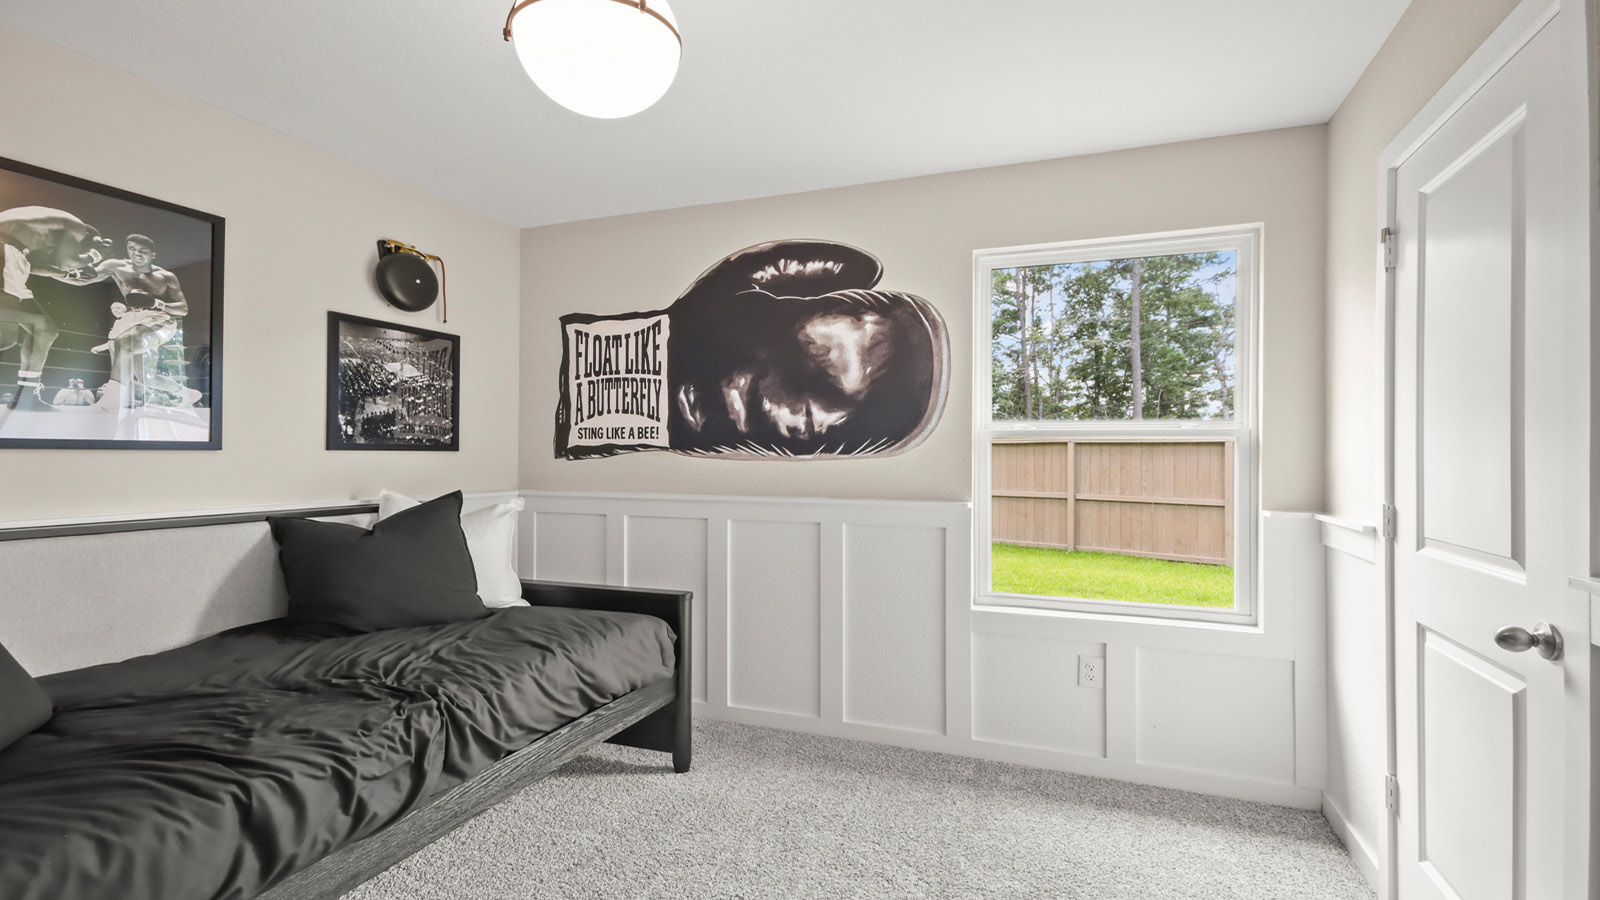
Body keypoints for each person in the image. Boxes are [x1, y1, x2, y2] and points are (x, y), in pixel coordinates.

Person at [0, 207, 113, 409]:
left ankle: (25, 396)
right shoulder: (75, 227)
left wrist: (68, 275)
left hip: (11, 262)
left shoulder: (34, 230)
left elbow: (33, 265)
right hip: (5, 257)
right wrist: (96, 255)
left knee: (45, 329)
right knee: (5, 339)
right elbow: (66, 261)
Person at [77, 234, 190, 407]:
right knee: (145, 376)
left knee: (125, 341)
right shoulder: (117, 266)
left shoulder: (166, 276)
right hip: (131, 319)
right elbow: (85, 278)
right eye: (132, 249)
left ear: (153, 254)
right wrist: (85, 261)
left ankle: (109, 404)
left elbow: (183, 309)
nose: (137, 254)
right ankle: (185, 392)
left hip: (160, 320)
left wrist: (156, 303)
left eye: (143, 251)